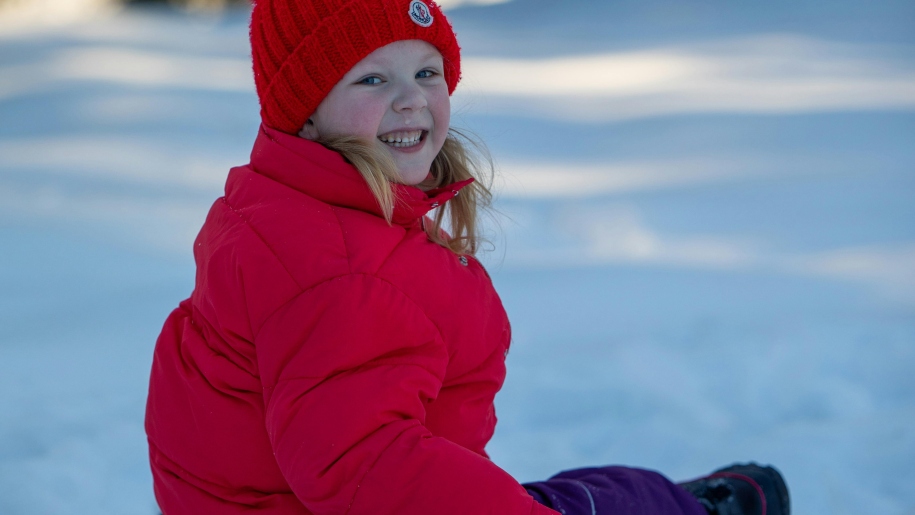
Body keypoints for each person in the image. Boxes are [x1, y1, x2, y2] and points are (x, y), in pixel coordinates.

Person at [144, 0, 791, 514]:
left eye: (425, 72)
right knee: (611, 500)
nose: (411, 98)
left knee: (601, 488)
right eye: (372, 78)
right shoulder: (339, 268)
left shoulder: (293, 212)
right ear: (305, 114)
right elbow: (363, 464)